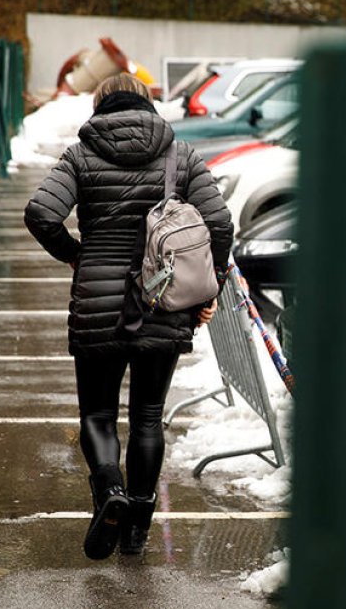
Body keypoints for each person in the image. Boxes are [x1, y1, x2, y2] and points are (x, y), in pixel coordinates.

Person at [25, 73, 233, 560]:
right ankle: (137, 526)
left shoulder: (81, 154)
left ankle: (109, 492)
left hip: (97, 303)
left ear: (100, 105)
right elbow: (220, 222)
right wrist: (210, 285)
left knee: (97, 415)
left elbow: (41, 214)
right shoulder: (180, 155)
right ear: (147, 104)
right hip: (164, 301)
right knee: (148, 417)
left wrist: (76, 254)